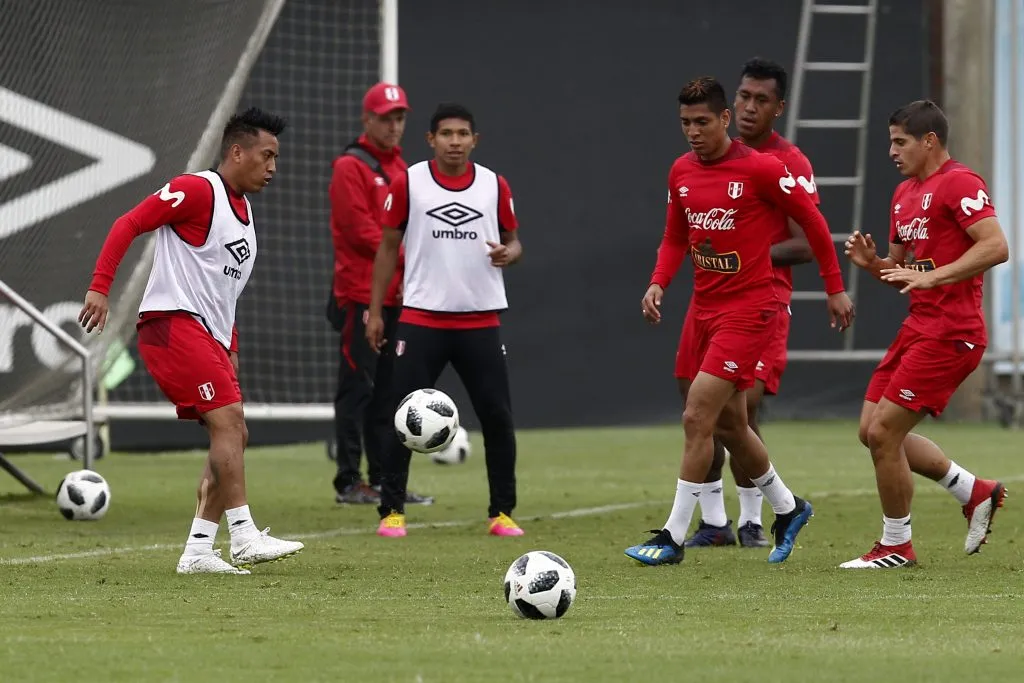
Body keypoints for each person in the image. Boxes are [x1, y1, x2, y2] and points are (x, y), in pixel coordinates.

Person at [624, 77, 854, 566]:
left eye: (702, 122)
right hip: (703, 309)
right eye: (685, 123)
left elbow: (813, 224)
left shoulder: (762, 170)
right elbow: (674, 237)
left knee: (696, 416)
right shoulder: (681, 171)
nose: (693, 132)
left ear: (724, 119)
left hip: (751, 310)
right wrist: (658, 281)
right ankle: (789, 509)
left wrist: (835, 287)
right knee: (729, 424)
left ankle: (672, 536)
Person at [78, 108, 304, 575]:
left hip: (209, 334)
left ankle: (198, 550)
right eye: (266, 156)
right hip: (172, 323)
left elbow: (225, 292)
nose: (273, 168)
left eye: (276, 158)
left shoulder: (245, 215)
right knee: (229, 424)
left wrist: (230, 348)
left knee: (235, 432)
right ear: (236, 152)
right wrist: (100, 287)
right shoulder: (198, 189)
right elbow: (129, 222)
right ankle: (242, 535)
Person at [841, 100, 1008, 569]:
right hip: (918, 327)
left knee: (884, 433)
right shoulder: (903, 195)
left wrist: (938, 277)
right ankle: (974, 491)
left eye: (900, 141)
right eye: (890, 141)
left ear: (929, 140)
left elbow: (997, 245)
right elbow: (903, 272)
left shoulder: (960, 182)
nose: (892, 151)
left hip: (952, 333)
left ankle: (897, 545)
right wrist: (873, 265)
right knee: (869, 432)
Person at [366, 102, 523, 538]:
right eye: (447, 133)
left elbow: (514, 242)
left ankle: (502, 512)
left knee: (497, 417)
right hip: (422, 320)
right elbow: (386, 249)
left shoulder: (494, 185)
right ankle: (392, 511)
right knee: (402, 417)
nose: (455, 141)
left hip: (480, 321)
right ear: (431, 139)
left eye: (463, 134)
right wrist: (376, 311)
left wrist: (508, 253)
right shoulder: (410, 182)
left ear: (475, 140)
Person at [685, 58, 817, 550]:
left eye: (761, 100)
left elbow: (806, 242)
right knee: (702, 405)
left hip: (763, 299)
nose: (749, 107)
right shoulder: (710, 159)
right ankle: (716, 521)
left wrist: (748, 252)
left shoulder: (789, 164)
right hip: (712, 296)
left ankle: (754, 520)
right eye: (744, 96)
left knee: (742, 406)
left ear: (778, 108)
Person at [327, 82, 432, 506]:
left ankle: (388, 481)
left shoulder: (401, 169)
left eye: (399, 118)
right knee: (357, 389)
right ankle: (349, 481)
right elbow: (360, 231)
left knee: (389, 394)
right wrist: (410, 253)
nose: (393, 125)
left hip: (396, 297)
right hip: (358, 297)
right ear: (366, 120)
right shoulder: (349, 167)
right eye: (386, 117)